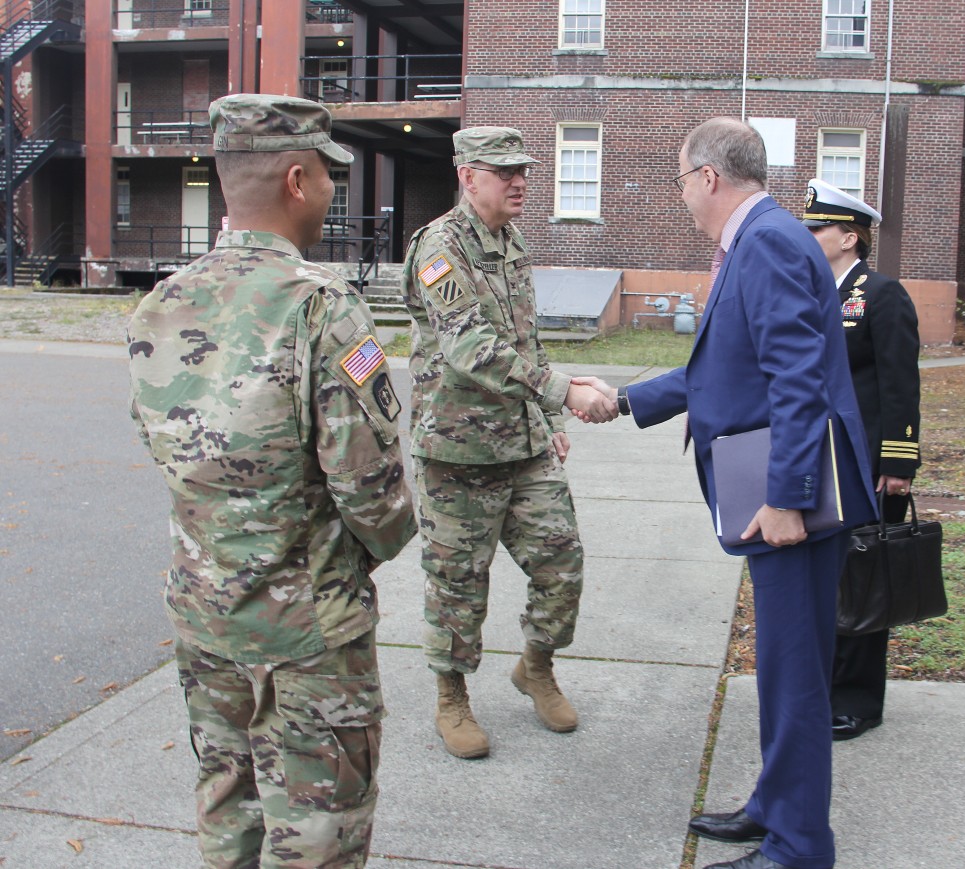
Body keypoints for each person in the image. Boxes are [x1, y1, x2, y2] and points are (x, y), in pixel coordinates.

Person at [575, 118, 877, 869]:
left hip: (789, 501)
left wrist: (786, 497)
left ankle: (800, 847)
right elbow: (722, 369)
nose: (682, 197)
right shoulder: (758, 239)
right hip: (774, 488)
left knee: (794, 673)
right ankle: (776, 806)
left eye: (681, 181)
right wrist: (623, 399)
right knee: (781, 665)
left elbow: (797, 381)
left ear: (708, 177)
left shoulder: (767, 241)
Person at [128, 93, 417, 868]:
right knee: (318, 830)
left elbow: (169, 452)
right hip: (308, 637)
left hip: (204, 617)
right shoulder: (324, 309)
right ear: (297, 179)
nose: (332, 191)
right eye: (328, 174)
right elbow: (376, 496)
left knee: (227, 809)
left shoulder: (159, 305)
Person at [400, 126, 617, 760]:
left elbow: (526, 340)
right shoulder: (439, 249)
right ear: (468, 176)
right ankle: (451, 696)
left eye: (523, 168)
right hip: (457, 451)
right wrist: (562, 391)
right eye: (504, 171)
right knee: (457, 583)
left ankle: (536, 667)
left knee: (562, 564)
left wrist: (550, 422)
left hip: (522, 445)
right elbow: (468, 348)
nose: (520, 180)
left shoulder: (510, 241)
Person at [802, 179, 922, 741]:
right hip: (820, 460)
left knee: (862, 579)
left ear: (849, 236)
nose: (808, 237)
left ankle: (856, 701)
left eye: (817, 228)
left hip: (868, 463)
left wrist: (899, 462)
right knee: (826, 579)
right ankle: (821, 688)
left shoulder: (881, 294)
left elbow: (901, 384)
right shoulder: (812, 291)